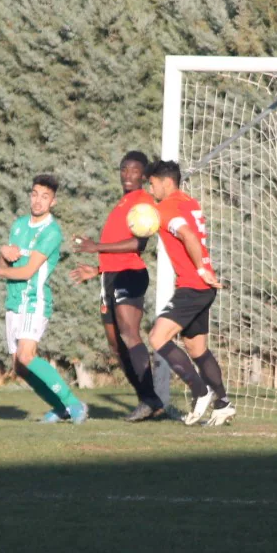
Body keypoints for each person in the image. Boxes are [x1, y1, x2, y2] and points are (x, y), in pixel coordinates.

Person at [69, 151, 167, 422]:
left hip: (129, 274)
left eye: (134, 170)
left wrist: (96, 247)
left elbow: (139, 245)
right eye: (124, 169)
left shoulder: (144, 202)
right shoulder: (122, 203)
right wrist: (98, 268)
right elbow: (118, 248)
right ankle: (146, 400)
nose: (128, 175)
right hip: (110, 276)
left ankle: (151, 399)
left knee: (129, 334)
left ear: (144, 175)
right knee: (116, 346)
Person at [0, 174, 88, 424]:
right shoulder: (19, 225)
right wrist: (2, 254)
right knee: (20, 367)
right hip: (14, 301)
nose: (38, 201)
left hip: (34, 299)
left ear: (53, 201)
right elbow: (6, 261)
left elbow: (28, 271)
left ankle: (74, 404)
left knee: (27, 355)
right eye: (35, 194)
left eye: (45, 196)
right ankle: (60, 408)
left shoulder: (51, 232)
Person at [145, 160, 233, 427]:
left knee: (157, 337)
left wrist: (200, 269)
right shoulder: (189, 202)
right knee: (196, 348)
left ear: (165, 181)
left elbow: (187, 236)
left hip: (194, 285)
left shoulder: (167, 208)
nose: (151, 190)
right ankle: (223, 404)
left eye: (152, 184)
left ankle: (200, 391)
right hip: (202, 286)